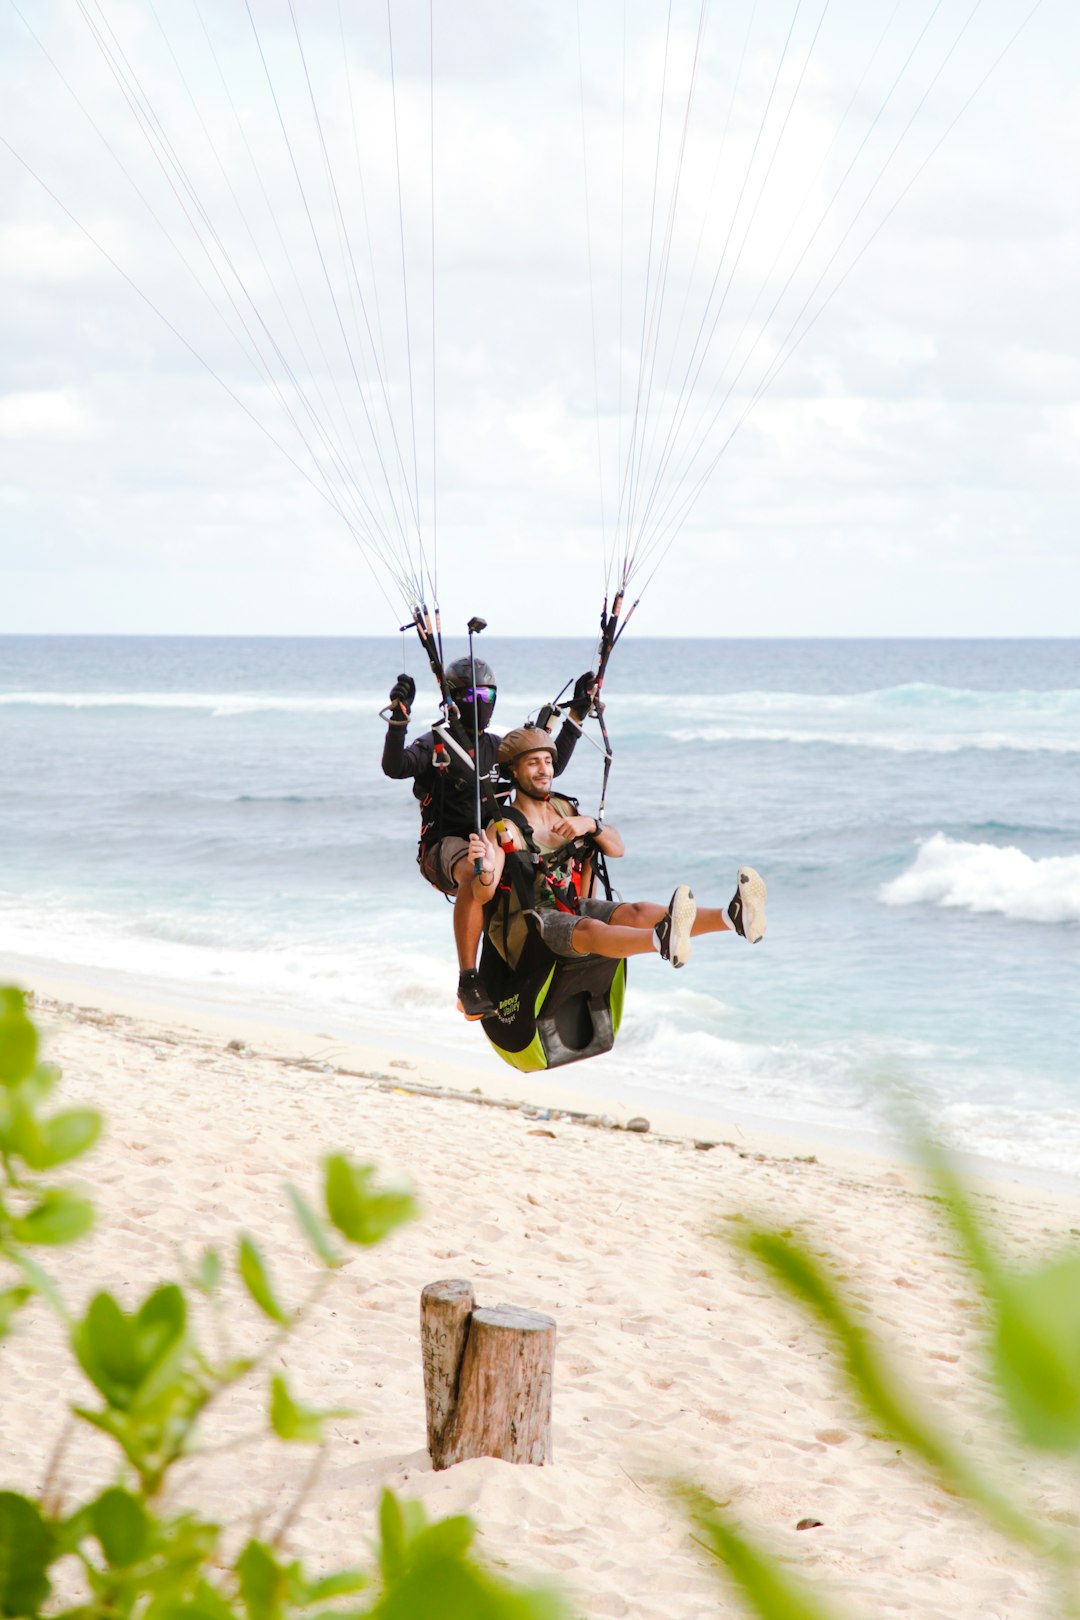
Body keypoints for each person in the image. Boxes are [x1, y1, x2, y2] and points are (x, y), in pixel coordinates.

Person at [382, 660, 595, 1018]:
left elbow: (545, 766)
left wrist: (575, 716)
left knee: (572, 850)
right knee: (475, 867)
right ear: (453, 698)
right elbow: (395, 767)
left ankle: (571, 935)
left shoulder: (497, 747)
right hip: (444, 846)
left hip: (494, 840)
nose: (479, 700)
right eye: (470, 694)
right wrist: (399, 720)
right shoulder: (436, 742)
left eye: (486, 693)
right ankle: (468, 979)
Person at [468, 727, 766, 975]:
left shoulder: (564, 808)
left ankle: (733, 917)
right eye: (533, 763)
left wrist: (591, 825)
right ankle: (661, 939)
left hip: (569, 906)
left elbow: (617, 849)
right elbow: (483, 895)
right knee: (588, 930)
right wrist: (487, 869)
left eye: (547, 761)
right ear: (514, 772)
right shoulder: (503, 827)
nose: (543, 769)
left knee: (633, 911)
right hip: (528, 926)